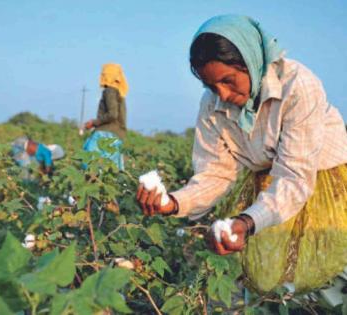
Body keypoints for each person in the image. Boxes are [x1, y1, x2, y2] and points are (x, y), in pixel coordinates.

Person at [137, 15, 347, 292]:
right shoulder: (212, 105)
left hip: (321, 178)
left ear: (250, 62)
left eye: (228, 80)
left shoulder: (297, 86)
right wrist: (173, 203)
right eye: (211, 86)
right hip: (270, 183)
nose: (222, 94)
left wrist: (247, 221)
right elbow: (215, 173)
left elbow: (295, 177)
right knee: (274, 276)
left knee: (329, 270)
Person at [83, 63, 128, 171]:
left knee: (89, 164)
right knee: (112, 170)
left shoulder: (110, 91)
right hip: (117, 135)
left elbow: (112, 114)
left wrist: (93, 123)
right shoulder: (120, 94)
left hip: (105, 134)